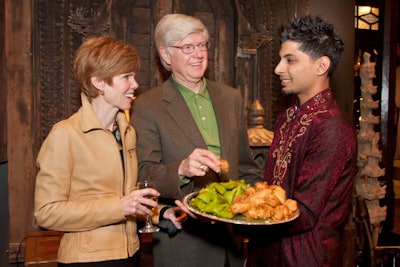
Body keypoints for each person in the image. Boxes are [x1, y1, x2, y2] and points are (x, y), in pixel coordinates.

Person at [34, 36, 182, 267]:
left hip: (131, 255)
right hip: (87, 260)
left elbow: (127, 194)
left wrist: (160, 213)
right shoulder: (65, 134)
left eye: (133, 76)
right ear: (99, 83)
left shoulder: (126, 132)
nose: (135, 84)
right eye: (126, 77)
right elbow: (46, 212)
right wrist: (119, 207)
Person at [131, 13, 263, 267]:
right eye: (188, 47)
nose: (199, 54)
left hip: (232, 245)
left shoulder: (230, 98)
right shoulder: (149, 106)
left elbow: (246, 167)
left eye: (202, 45)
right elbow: (143, 174)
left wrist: (259, 205)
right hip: (184, 246)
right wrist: (181, 169)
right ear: (166, 55)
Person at [245, 15, 357, 266]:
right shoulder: (286, 118)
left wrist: (238, 222)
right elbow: (271, 192)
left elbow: (304, 212)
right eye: (280, 58)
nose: (278, 68)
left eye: (290, 60)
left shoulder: (332, 127)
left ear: (321, 66)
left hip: (306, 257)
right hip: (266, 254)